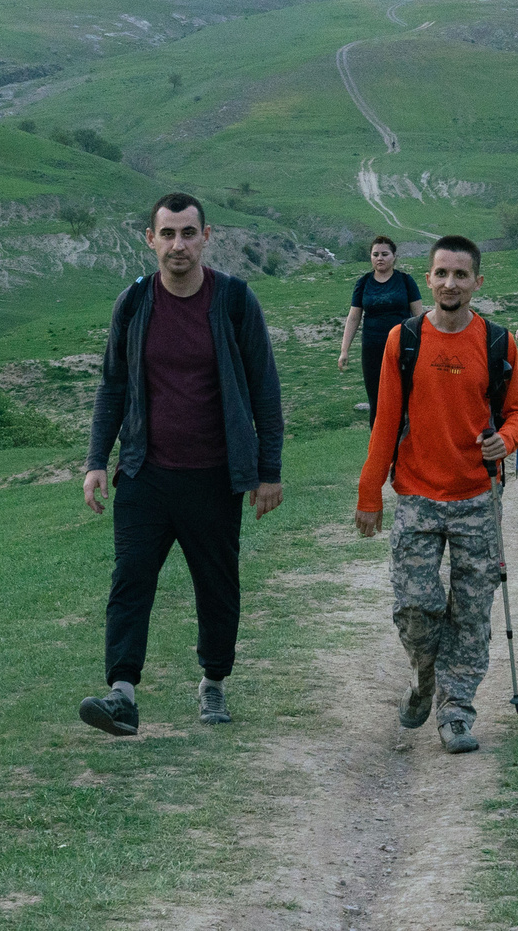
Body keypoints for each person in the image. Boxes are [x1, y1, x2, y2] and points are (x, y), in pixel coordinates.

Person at [78, 194, 286, 739]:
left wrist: (269, 470)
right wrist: (97, 460)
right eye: (167, 234)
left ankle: (213, 680)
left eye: (188, 234)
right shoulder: (134, 302)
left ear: (206, 236)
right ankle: (122, 694)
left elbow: (265, 390)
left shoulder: (235, 300)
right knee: (130, 580)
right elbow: (113, 385)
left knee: (217, 586)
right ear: (150, 239)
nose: (178, 245)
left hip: (215, 475)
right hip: (146, 471)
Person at [354, 236, 518, 755]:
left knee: (472, 614)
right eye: (441, 273)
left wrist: (509, 438)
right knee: (414, 606)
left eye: (461, 274)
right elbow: (385, 421)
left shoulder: (498, 342)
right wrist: (370, 493)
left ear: (478, 282)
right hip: (415, 496)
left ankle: (456, 712)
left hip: (478, 496)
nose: (450, 283)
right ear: (427, 279)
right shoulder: (402, 340)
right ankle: (425, 679)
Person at [337, 236, 421, 426]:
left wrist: (422, 346)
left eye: (385, 254)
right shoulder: (363, 283)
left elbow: (418, 317)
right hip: (372, 349)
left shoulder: (406, 281)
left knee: (405, 396)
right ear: (370, 257)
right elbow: (353, 317)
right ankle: (378, 447)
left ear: (394, 256)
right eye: (375, 254)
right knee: (376, 399)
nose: (379, 258)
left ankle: (407, 444)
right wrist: (344, 350)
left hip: (403, 348)